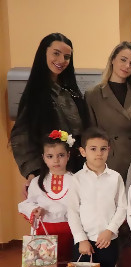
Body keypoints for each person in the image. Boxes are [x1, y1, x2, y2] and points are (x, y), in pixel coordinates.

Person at [67, 128, 127, 267]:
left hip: (107, 241)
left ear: (109, 150)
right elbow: (72, 211)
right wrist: (81, 239)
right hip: (85, 242)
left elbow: (122, 207)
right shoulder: (76, 180)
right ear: (83, 151)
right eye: (93, 149)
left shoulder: (115, 178)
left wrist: (110, 230)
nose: (98, 153)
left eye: (103, 149)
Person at [18, 130, 77, 267]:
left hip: (68, 232)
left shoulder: (76, 181)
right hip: (44, 233)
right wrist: (36, 209)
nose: (56, 160)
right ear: (43, 158)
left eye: (61, 155)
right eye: (50, 156)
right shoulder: (37, 182)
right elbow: (27, 203)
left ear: (68, 156)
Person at [11, 33, 87, 183]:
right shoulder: (34, 95)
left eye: (67, 57)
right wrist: (33, 173)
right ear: (43, 54)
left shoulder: (72, 92)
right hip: (50, 174)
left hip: (79, 171)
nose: (62, 60)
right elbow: (20, 138)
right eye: (56, 53)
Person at [85, 41, 131, 181]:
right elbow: (89, 134)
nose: (127, 66)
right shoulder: (93, 95)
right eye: (123, 60)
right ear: (112, 59)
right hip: (108, 162)